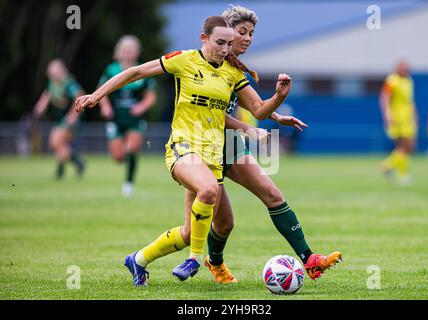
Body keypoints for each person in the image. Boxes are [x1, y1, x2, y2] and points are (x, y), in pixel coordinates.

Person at [132, 6, 342, 286]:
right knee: (211, 225)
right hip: (200, 147)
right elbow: (214, 113)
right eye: (241, 32)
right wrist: (248, 126)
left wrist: (276, 111)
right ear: (224, 33)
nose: (247, 38)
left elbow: (250, 106)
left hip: (229, 145)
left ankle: (309, 259)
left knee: (271, 193)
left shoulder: (233, 69)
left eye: (251, 33)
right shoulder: (204, 62)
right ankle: (199, 261)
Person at [75, 15, 292, 286]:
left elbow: (259, 109)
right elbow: (136, 72)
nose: (225, 49)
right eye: (220, 42)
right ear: (204, 38)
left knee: (192, 231)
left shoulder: (232, 73)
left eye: (228, 44)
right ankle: (195, 260)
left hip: (212, 156)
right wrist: (96, 95)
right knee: (210, 190)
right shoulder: (184, 60)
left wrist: (279, 97)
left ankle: (138, 260)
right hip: (182, 149)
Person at [98, 36, 158, 196]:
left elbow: (151, 95)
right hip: (115, 118)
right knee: (118, 157)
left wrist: (142, 106)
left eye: (131, 50)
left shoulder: (143, 69)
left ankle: (128, 184)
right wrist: (105, 106)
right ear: (119, 51)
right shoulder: (111, 70)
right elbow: (101, 91)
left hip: (135, 119)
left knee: (132, 148)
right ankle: (125, 158)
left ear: (137, 52)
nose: (128, 53)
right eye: (125, 50)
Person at [33, 59, 85, 180]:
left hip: (71, 119)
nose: (54, 76)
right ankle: (75, 163)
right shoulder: (52, 83)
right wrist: (40, 108)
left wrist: (73, 116)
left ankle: (69, 166)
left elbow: (80, 95)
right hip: (60, 119)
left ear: (62, 71)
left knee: (56, 142)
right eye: (52, 73)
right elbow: (47, 94)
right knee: (58, 144)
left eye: (56, 73)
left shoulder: (69, 83)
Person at [380, 60, 418, 185]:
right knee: (403, 146)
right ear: (397, 68)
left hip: (407, 118)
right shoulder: (392, 80)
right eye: (403, 67)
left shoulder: (409, 81)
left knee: (409, 147)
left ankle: (388, 165)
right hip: (398, 118)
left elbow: (410, 101)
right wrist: (387, 114)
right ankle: (402, 174)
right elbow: (385, 98)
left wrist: (415, 116)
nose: (406, 69)